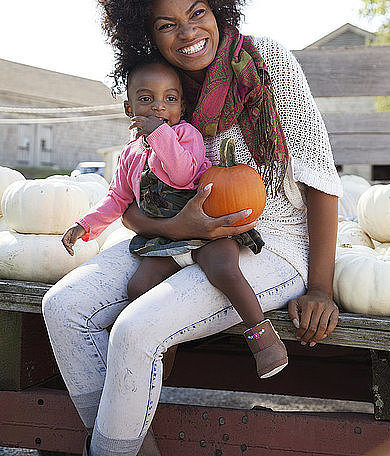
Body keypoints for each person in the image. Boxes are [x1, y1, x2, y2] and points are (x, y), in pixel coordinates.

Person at [42, 0, 342, 456]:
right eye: (167, 25)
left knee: (135, 331)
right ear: (149, 37)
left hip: (272, 247)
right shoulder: (159, 90)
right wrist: (176, 228)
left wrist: (320, 287)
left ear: (219, 9)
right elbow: (133, 196)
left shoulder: (265, 62)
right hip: (176, 239)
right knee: (64, 305)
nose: (188, 32)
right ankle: (128, 446)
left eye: (197, 12)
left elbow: (321, 179)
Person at [62, 58, 286, 381]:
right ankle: (162, 350)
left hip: (207, 232)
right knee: (138, 286)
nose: (158, 107)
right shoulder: (129, 155)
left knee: (224, 269)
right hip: (165, 241)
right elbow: (118, 198)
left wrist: (161, 136)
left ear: (181, 105)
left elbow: (183, 174)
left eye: (169, 99)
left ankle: (264, 340)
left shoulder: (186, 136)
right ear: (129, 108)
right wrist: (86, 225)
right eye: (146, 99)